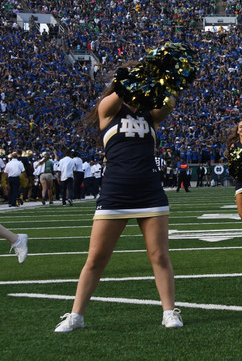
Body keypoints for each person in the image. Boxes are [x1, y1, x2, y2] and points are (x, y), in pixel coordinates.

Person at [55, 72, 184, 332]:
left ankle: (169, 311)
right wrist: (140, 74)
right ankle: (76, 316)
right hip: (115, 192)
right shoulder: (109, 108)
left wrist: (168, 77)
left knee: (159, 255)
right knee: (96, 258)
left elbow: (170, 101)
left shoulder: (151, 114)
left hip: (150, 191)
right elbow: (123, 93)